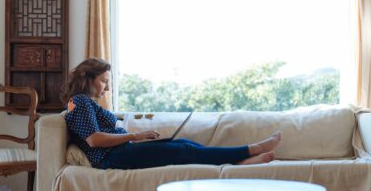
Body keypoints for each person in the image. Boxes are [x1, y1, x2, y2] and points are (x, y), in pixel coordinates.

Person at [62, 58, 281, 170]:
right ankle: (252, 149)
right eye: (104, 82)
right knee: (185, 149)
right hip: (111, 158)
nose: (106, 88)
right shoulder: (79, 102)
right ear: (88, 79)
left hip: (121, 151)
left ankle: (239, 164)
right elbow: (94, 140)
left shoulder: (85, 102)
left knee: (186, 143)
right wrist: (135, 136)